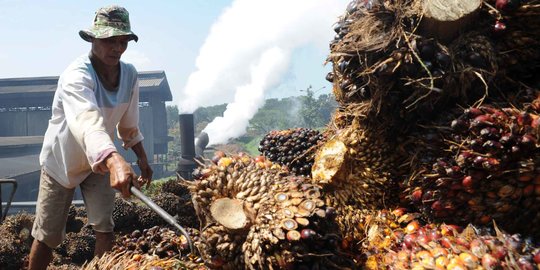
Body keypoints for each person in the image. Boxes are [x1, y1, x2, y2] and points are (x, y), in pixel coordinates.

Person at [28, 5, 153, 270]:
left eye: (122, 41)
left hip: (101, 162)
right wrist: (115, 160)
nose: (117, 48)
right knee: (47, 235)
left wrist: (142, 158)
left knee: (105, 229)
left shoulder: (129, 75)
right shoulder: (76, 76)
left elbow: (129, 125)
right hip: (63, 162)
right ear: (92, 38)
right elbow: (87, 122)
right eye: (109, 40)